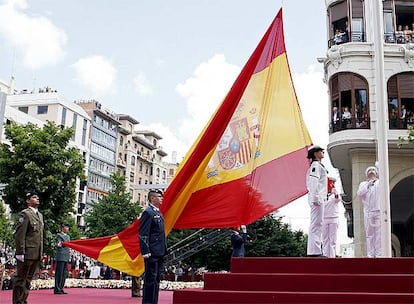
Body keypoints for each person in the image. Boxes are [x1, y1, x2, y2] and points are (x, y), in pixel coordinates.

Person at [13, 192, 44, 304]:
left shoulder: (39, 215)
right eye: (34, 197)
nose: (37, 199)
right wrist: (20, 251)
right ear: (28, 201)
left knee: (28, 279)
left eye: (37, 197)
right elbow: (20, 234)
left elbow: (39, 236)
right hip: (26, 252)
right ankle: (17, 301)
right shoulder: (25, 214)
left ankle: (23, 300)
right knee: (21, 278)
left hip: (36, 252)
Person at [139, 189, 167, 304]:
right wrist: (145, 251)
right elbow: (143, 233)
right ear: (152, 198)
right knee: (150, 279)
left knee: (156, 279)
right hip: (152, 252)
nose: (162, 199)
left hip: (159, 251)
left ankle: (154, 301)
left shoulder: (158, 212)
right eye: (159, 196)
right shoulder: (148, 212)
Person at [306, 145, 328, 257]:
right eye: (320, 151)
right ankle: (314, 251)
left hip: (319, 197)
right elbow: (313, 182)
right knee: (316, 224)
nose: (322, 152)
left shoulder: (318, 165)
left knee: (318, 223)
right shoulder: (315, 166)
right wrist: (315, 197)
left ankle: (315, 250)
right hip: (317, 198)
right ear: (315, 153)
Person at [357, 166, 381, 257]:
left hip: (378, 210)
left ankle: (378, 254)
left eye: (373, 170)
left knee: (378, 234)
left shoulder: (379, 183)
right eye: (369, 171)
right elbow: (359, 193)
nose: (371, 172)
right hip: (368, 212)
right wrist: (368, 184)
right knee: (369, 234)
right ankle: (370, 254)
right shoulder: (363, 184)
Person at [322, 177, 342, 258]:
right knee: (325, 239)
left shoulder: (335, 194)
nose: (331, 185)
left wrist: (335, 192)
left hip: (333, 218)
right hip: (324, 218)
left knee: (332, 239)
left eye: (332, 183)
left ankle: (332, 256)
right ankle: (326, 255)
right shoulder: (322, 194)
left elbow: (338, 199)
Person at [54, 223, 70, 294]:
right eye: (66, 227)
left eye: (68, 227)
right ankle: (57, 289)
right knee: (59, 273)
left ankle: (61, 288)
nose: (67, 228)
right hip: (60, 256)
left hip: (66, 256)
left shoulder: (68, 236)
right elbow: (58, 244)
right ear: (62, 228)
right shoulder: (59, 235)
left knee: (64, 273)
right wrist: (63, 243)